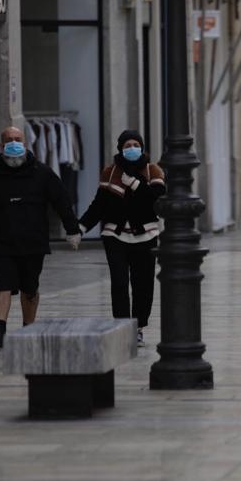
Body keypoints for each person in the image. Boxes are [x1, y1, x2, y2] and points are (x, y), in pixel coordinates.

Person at [0, 126, 81, 349]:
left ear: (25, 143)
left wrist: (72, 229)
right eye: (8, 140)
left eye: (17, 139)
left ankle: (29, 326)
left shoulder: (42, 173)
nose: (13, 142)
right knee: (2, 284)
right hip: (2, 243)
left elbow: (62, 201)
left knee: (30, 287)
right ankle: (0, 327)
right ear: (1, 147)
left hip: (33, 243)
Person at [79, 130, 165, 348]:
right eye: (128, 145)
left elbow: (157, 199)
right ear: (120, 148)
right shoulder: (110, 172)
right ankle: (121, 327)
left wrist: (135, 184)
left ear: (142, 147)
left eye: (136, 144)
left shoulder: (152, 170)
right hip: (114, 235)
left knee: (142, 284)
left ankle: (138, 328)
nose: (132, 148)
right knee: (119, 283)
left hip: (145, 235)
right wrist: (80, 227)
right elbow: (99, 205)